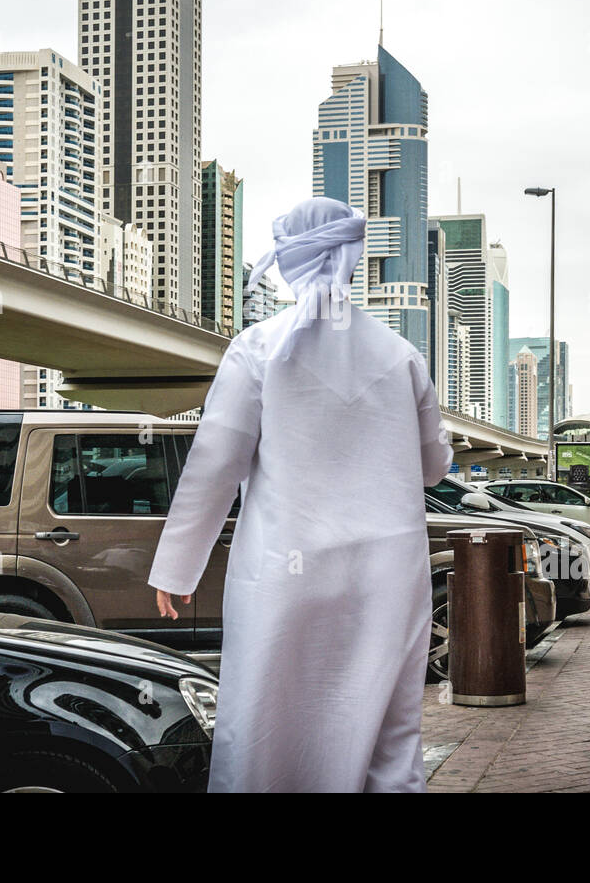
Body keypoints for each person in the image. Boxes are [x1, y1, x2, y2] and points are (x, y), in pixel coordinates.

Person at [146, 197, 453, 793]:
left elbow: (215, 465)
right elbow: (434, 468)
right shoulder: (403, 357)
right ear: (354, 260)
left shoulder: (259, 349)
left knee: (266, 719)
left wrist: (177, 569)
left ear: (289, 262)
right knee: (388, 733)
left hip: (284, 573)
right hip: (387, 574)